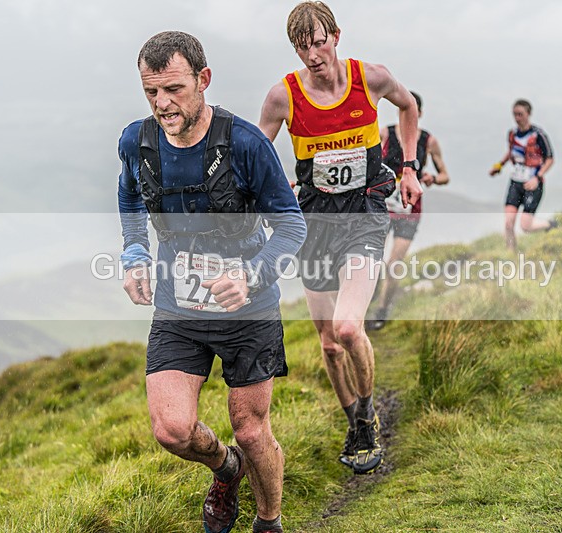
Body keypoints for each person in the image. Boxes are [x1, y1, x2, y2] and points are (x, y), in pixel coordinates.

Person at [117, 31, 306, 533]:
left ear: (203, 79)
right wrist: (135, 254)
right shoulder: (137, 143)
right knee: (172, 430)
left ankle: (269, 522)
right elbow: (132, 200)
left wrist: (252, 274)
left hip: (248, 310)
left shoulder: (246, 144)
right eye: (151, 92)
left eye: (174, 89)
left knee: (251, 430)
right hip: (180, 309)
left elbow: (291, 225)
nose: (163, 104)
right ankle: (226, 470)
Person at [258, 1, 422, 475]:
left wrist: (409, 167)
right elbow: (255, 152)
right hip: (313, 222)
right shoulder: (282, 98)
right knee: (329, 342)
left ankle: (369, 416)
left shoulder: (369, 78)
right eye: (301, 46)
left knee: (349, 327)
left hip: (365, 213)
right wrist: (272, 188)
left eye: (319, 41)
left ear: (336, 36)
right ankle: (353, 419)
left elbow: (408, 106)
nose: (312, 54)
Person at [366, 91, 450, 331]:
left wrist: (433, 178)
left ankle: (382, 310)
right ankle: (367, 299)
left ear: (419, 114)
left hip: (410, 210)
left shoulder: (428, 141)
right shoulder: (386, 133)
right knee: (373, 259)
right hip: (383, 207)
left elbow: (445, 175)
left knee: (394, 263)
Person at [489, 99, 555, 250]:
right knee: (508, 223)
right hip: (515, 182)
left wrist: (537, 178)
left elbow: (550, 159)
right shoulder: (512, 134)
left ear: (528, 114)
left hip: (532, 184)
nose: (517, 118)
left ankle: (551, 225)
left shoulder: (538, 135)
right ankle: (510, 255)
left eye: (520, 114)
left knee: (526, 226)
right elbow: (511, 152)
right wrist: (499, 165)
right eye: (515, 114)